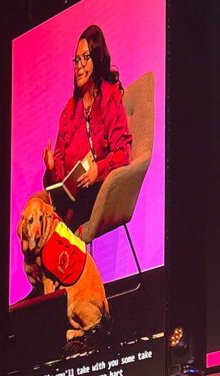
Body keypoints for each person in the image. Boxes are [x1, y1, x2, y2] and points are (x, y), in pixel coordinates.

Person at [42, 24, 132, 232]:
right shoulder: (69, 111)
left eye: (85, 58)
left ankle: (66, 257)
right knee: (37, 210)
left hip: (99, 187)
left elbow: (122, 153)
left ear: (96, 59)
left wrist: (97, 170)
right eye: (76, 60)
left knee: (65, 220)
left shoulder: (110, 97)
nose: (79, 66)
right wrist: (52, 167)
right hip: (71, 196)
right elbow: (60, 172)